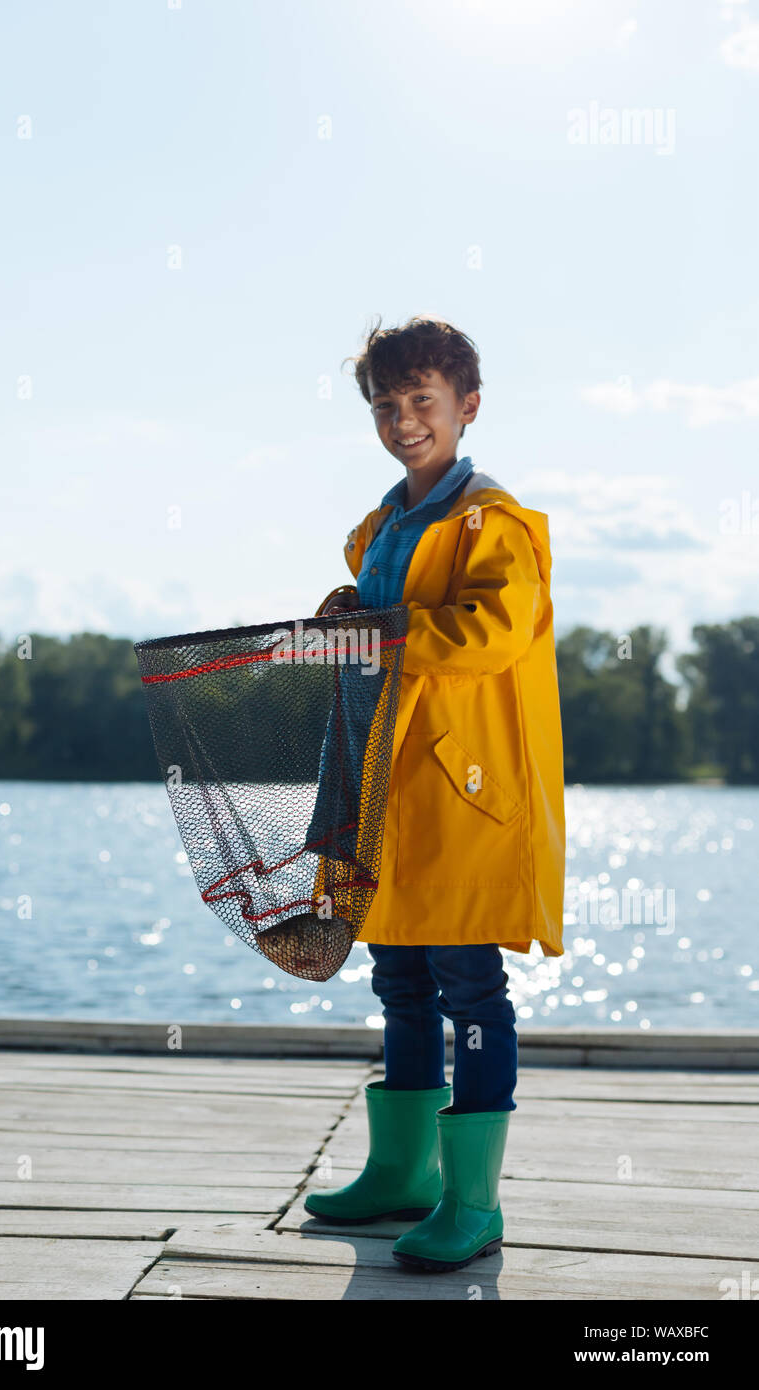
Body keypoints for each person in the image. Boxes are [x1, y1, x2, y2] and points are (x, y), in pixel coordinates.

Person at [303, 315, 566, 1272]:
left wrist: (390, 632)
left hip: (460, 794)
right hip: (383, 787)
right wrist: (349, 617)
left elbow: (493, 633)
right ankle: (402, 1176)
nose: (405, 421)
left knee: (471, 992)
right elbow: (377, 620)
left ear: (467, 408)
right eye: (386, 404)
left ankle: (473, 1204)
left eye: (424, 401)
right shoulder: (380, 526)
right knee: (399, 984)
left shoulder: (494, 523)